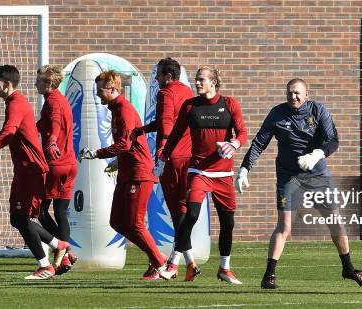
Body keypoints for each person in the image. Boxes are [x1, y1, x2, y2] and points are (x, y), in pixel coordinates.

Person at [237, 78, 362, 289]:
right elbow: (259, 143)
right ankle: (268, 275)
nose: (293, 96)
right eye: (290, 92)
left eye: (298, 93)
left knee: (335, 221)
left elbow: (333, 140)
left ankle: (348, 268)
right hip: (288, 177)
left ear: (307, 94)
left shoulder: (318, 111)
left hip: (318, 176)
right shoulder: (277, 113)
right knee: (285, 226)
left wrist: (318, 154)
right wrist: (245, 169)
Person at [0, 65, 70, 280]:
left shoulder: (16, 103)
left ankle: (46, 266)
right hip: (25, 170)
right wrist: (0, 134)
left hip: (32, 170)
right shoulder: (15, 103)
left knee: (22, 219)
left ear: (7, 84)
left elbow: (9, 135)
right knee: (18, 219)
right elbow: (16, 131)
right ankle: (59, 245)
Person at [158, 66, 247, 284]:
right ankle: (173, 263)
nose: (197, 83)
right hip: (199, 171)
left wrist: (234, 144)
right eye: (197, 79)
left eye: (201, 80)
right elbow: (175, 135)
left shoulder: (230, 104)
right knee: (191, 215)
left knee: (228, 223)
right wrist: (162, 159)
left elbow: (242, 132)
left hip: (224, 174)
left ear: (213, 82)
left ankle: (225, 268)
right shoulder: (190, 106)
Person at [79, 70, 166, 280]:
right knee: (117, 221)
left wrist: (96, 153)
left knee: (134, 223)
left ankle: (160, 262)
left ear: (112, 89)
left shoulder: (124, 109)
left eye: (100, 90)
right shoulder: (115, 108)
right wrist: (118, 162)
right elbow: (130, 144)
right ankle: (156, 259)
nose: (98, 94)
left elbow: (124, 144)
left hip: (139, 173)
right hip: (127, 171)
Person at [134, 58, 196, 280]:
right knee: (181, 209)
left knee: (176, 211)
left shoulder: (165, 93)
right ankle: (189, 262)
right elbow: (168, 122)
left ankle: (173, 262)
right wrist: (144, 129)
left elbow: (167, 122)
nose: (157, 79)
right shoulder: (188, 92)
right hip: (190, 157)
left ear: (168, 77)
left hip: (173, 158)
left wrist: (162, 152)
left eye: (159, 75)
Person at [34, 65, 78, 275]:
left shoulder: (52, 101)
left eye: (39, 80)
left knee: (40, 211)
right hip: (69, 164)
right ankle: (66, 256)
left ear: (49, 83)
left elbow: (54, 125)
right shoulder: (61, 99)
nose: (36, 84)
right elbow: (43, 124)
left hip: (55, 164)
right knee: (60, 212)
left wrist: (51, 142)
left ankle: (64, 250)